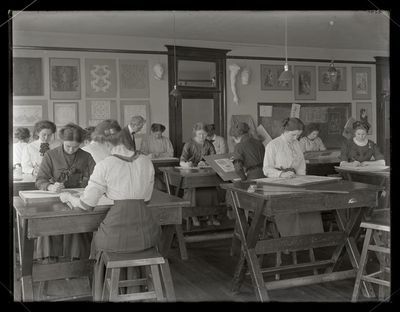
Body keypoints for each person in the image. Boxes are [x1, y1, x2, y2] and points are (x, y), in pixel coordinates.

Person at [58, 121, 160, 300]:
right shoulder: (146, 161)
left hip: (116, 237)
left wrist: (68, 197)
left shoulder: (105, 165)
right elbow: (147, 198)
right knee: (128, 241)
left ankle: (103, 290)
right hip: (148, 233)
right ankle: (136, 285)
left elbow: (86, 205)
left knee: (97, 241)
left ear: (105, 143)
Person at [35, 123, 96, 262]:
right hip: (55, 200)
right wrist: (50, 187)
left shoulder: (87, 156)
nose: (71, 150)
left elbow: (96, 178)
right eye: (68, 146)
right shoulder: (51, 155)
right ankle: (49, 259)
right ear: (62, 141)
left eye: (76, 147)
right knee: (48, 224)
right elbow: (40, 180)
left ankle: (76, 262)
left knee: (79, 224)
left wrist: (87, 185)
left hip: (77, 200)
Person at [263, 117, 324, 237]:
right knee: (290, 211)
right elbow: (266, 169)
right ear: (285, 131)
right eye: (293, 135)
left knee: (309, 208)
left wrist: (302, 179)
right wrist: (281, 174)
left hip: (296, 182)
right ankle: (292, 241)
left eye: (298, 135)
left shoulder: (296, 143)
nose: (296, 138)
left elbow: (301, 164)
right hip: (278, 185)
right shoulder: (273, 145)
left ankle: (313, 238)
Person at [180, 122, 220, 226]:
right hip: (191, 176)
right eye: (199, 134)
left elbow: (214, 159)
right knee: (193, 192)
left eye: (204, 134)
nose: (202, 137)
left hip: (205, 175)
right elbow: (181, 161)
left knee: (212, 191)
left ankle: (212, 215)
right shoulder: (189, 144)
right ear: (195, 134)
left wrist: (207, 162)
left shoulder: (209, 144)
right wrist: (187, 164)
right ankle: (194, 216)